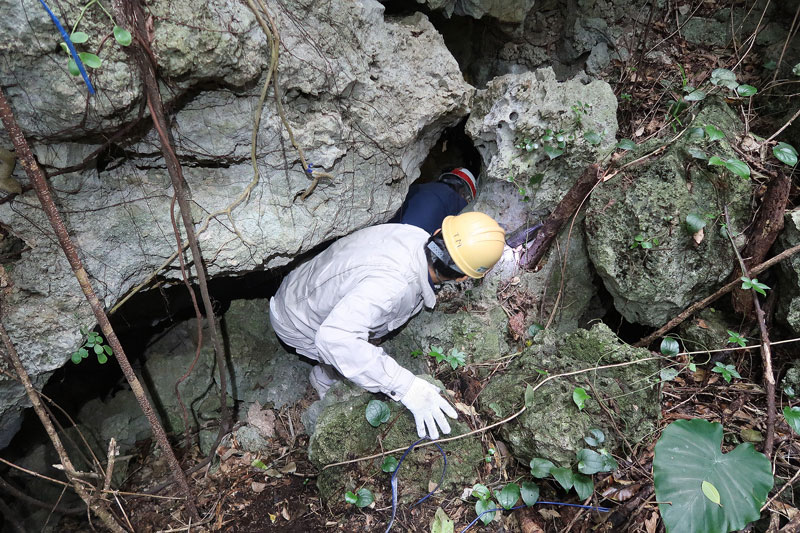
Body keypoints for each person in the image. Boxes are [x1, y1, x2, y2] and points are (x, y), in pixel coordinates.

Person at [269, 211, 505, 439]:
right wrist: (406, 386)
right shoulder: (394, 288)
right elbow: (334, 338)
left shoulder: (412, 235)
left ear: (437, 232)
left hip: (304, 282)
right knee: (347, 355)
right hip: (296, 320)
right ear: (463, 277)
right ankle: (325, 377)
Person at [390, 167, 478, 234]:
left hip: (385, 231)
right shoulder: (456, 200)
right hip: (412, 242)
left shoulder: (416, 187)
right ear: (464, 194)